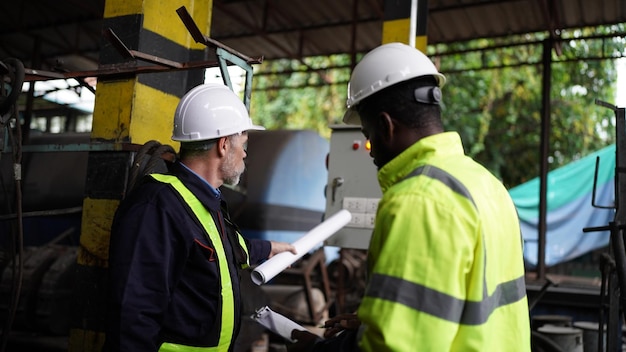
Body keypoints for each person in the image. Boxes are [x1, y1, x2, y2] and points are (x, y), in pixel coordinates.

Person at [290, 42, 531, 351]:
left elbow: (395, 347)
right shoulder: (486, 184)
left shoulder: (418, 201)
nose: (371, 150)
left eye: (367, 136)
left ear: (385, 126)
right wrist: (375, 319)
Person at [103, 83, 297, 352]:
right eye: (243, 144)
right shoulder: (157, 206)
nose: (244, 154)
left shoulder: (207, 199)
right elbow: (133, 314)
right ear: (224, 144)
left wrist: (271, 249)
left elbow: (226, 248)